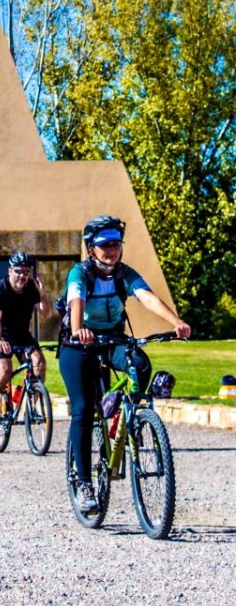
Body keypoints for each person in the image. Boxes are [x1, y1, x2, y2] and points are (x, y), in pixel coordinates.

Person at [59, 215, 191, 514]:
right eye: (105, 245)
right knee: (83, 410)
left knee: (140, 363)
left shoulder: (124, 273)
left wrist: (176, 322)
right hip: (78, 345)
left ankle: (127, 413)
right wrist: (79, 329)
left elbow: (147, 297)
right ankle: (84, 484)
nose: (112, 250)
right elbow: (76, 301)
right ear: (91, 248)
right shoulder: (80, 273)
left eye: (116, 245)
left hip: (112, 340)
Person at [0, 252, 52, 427]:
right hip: (0, 334)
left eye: (26, 272)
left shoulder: (30, 288)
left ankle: (31, 408)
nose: (22, 275)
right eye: (18, 271)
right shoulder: (0, 288)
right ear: (10, 271)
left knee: (39, 363)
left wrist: (42, 293)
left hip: (21, 334)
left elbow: (46, 313)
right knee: (5, 371)